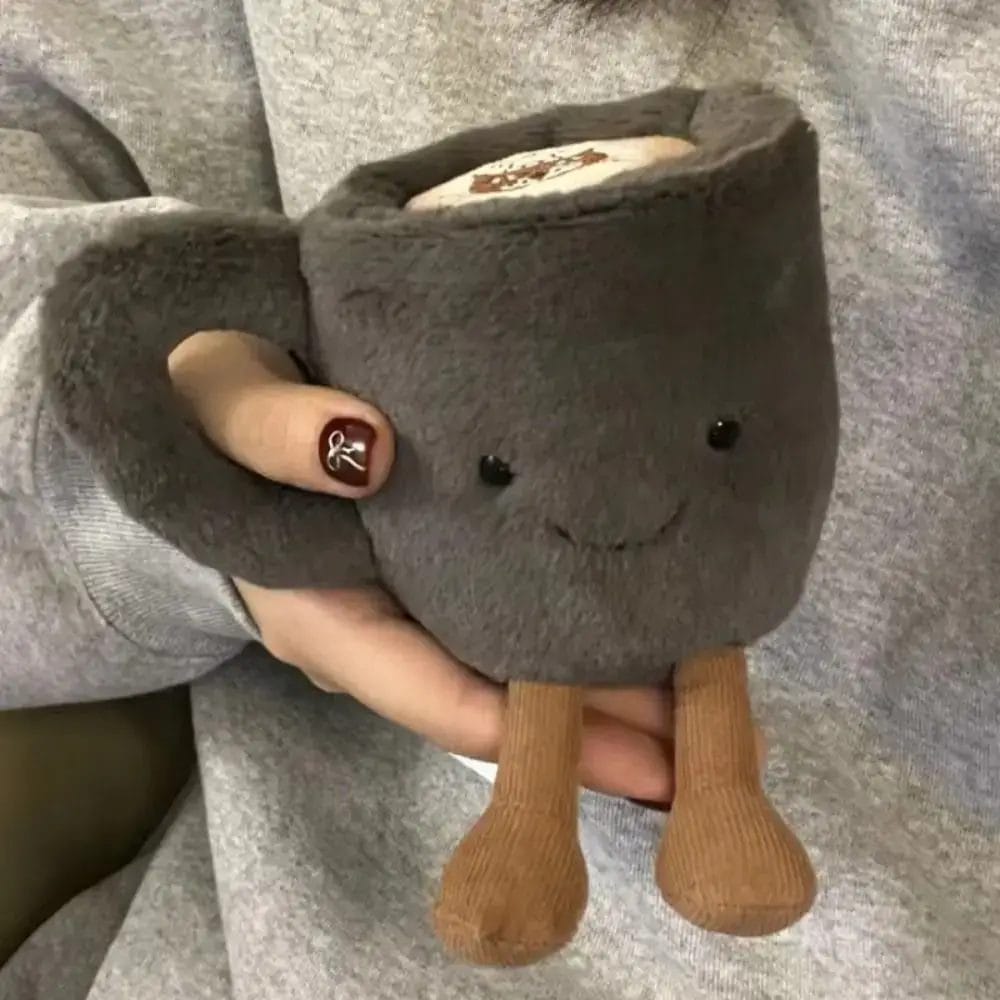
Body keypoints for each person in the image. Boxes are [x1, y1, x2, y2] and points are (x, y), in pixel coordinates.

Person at [0, 1, 996, 997]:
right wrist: (224, 501)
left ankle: (708, 805)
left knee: (695, 683)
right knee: (555, 686)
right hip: (321, 946)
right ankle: (526, 830)